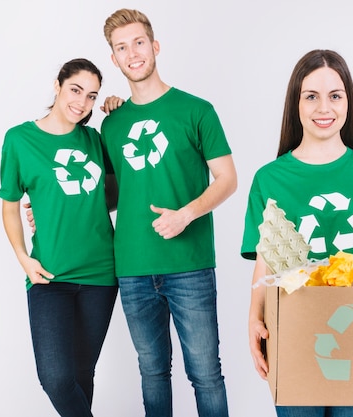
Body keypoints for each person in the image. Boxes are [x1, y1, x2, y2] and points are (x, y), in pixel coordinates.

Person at [240, 49, 353, 417]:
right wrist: (253, 318)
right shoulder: (269, 178)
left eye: (335, 96)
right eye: (312, 96)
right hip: (292, 331)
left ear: (348, 103)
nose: (325, 107)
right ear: (297, 103)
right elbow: (266, 261)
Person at [100, 8, 237, 417]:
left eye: (139, 42)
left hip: (189, 265)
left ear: (155, 46)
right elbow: (112, 193)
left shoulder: (196, 110)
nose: (132, 53)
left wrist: (186, 214)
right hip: (133, 267)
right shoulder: (111, 124)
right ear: (114, 59)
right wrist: (51, 210)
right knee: (152, 372)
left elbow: (227, 179)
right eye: (121, 47)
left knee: (205, 373)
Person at [0, 58, 120, 417]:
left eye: (92, 97)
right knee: (55, 377)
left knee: (82, 373)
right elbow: (9, 206)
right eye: (75, 90)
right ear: (58, 85)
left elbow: (111, 197)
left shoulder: (96, 139)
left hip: (101, 274)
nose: (82, 103)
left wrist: (118, 111)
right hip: (49, 275)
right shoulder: (20, 140)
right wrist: (23, 257)